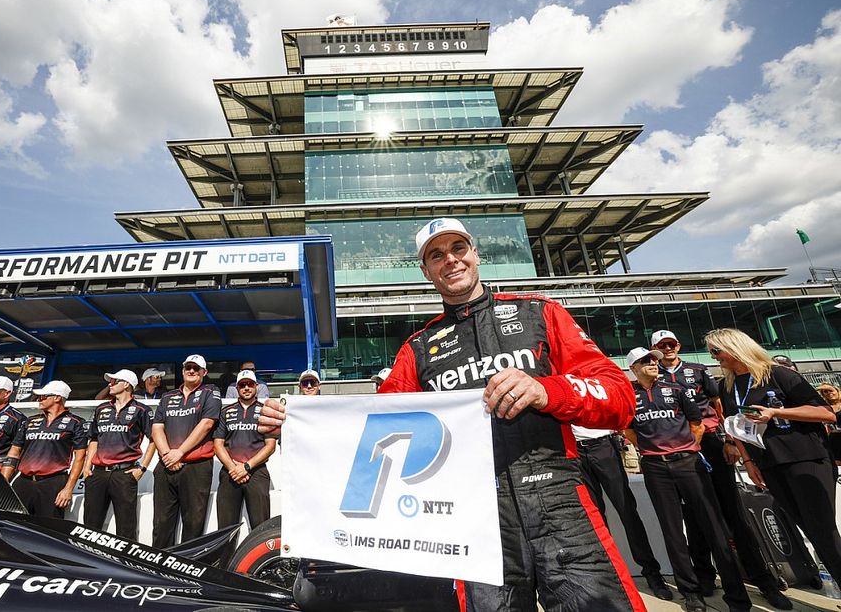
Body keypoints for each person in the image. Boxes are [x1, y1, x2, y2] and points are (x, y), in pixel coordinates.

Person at [260, 218, 645, 612]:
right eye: (436, 255)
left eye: (458, 249)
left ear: (475, 254)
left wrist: (546, 390)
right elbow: (371, 427)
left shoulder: (539, 313)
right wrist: (299, 422)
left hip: (559, 498)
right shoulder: (418, 348)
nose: (450, 260)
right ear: (426, 271)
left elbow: (620, 398)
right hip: (470, 517)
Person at [651, 330, 790, 609]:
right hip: (683, 451)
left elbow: (721, 407)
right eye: (661, 345)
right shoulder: (653, 377)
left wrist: (729, 441)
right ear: (654, 348)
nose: (667, 348)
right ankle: (705, 575)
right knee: (694, 515)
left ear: (678, 345)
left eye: (672, 343)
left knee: (733, 513)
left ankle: (763, 580)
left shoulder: (698, 371)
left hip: (712, 444)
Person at [706, 327, 841, 584]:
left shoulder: (778, 374)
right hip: (769, 463)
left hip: (805, 457)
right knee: (809, 529)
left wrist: (776, 413)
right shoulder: (727, 385)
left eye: (716, 350)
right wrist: (748, 460)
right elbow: (735, 426)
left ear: (734, 347)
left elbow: (826, 413)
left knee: (822, 529)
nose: (714, 357)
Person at [624, 347, 751, 612]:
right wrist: (653, 450)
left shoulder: (677, 388)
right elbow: (627, 429)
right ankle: (690, 593)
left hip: (688, 463)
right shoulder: (629, 396)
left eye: (653, 360)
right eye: (645, 361)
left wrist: (685, 449)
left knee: (714, 526)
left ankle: (737, 595)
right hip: (655, 469)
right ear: (633, 367)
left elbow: (698, 424)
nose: (652, 363)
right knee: (672, 531)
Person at [572, 424, 671, 601]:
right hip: (575, 451)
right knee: (595, 519)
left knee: (628, 513)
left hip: (604, 445)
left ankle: (651, 572)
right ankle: (607, 575)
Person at [151, 353, 221, 547]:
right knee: (162, 523)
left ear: (204, 372)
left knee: (193, 524)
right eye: (188, 367)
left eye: (196, 368)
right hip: (166, 465)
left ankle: (187, 571)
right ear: (182, 371)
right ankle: (157, 569)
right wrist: (167, 455)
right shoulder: (167, 396)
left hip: (196, 467)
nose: (191, 371)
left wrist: (179, 452)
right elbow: (157, 427)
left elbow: (207, 424)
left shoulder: (210, 391)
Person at [82, 369, 155, 540]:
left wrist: (142, 467)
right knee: (90, 525)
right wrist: (87, 466)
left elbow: (154, 439)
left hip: (125, 473)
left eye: (115, 382)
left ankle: (124, 564)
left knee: (126, 526)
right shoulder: (101, 408)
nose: (110, 384)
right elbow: (93, 439)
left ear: (127, 385)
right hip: (98, 472)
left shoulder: (141, 410)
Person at [3, 380, 87, 518]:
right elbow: (14, 451)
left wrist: (68, 488)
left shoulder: (76, 423)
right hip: (23, 481)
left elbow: (80, 457)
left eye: (43, 396)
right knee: (14, 525)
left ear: (57, 398)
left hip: (53, 482)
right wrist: (4, 481)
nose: (39, 399)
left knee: (48, 529)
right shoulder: (29, 421)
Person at [213, 369, 277, 530]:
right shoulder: (225, 412)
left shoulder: (266, 412)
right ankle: (226, 556)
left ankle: (261, 556)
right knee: (225, 527)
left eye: (250, 384)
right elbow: (218, 445)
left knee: (261, 526)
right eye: (242, 385)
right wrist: (234, 468)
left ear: (256, 386)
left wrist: (246, 466)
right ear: (237, 388)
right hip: (230, 471)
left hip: (257, 472)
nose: (246, 388)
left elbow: (270, 446)